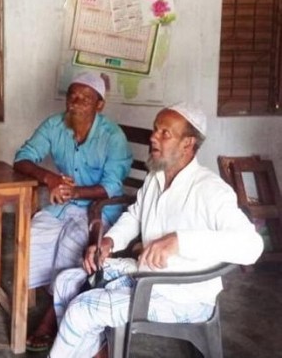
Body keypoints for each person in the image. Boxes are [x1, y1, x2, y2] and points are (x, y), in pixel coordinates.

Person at [48, 102, 264, 358]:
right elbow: (136, 214)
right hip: (147, 277)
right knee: (65, 282)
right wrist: (109, 242)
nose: (153, 137)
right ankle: (94, 353)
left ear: (188, 144)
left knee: (82, 309)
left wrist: (178, 241)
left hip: (184, 296)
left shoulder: (210, 189)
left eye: (165, 133)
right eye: (155, 130)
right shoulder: (155, 177)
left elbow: (252, 246)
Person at [13, 71, 132, 352]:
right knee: (31, 235)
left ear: (99, 104)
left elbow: (112, 187)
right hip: (62, 205)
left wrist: (75, 192)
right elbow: (23, 158)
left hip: (98, 209)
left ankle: (50, 320)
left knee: (72, 247)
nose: (75, 103)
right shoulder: (55, 125)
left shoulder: (112, 136)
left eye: (85, 98)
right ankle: (52, 302)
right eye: (72, 96)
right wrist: (50, 179)